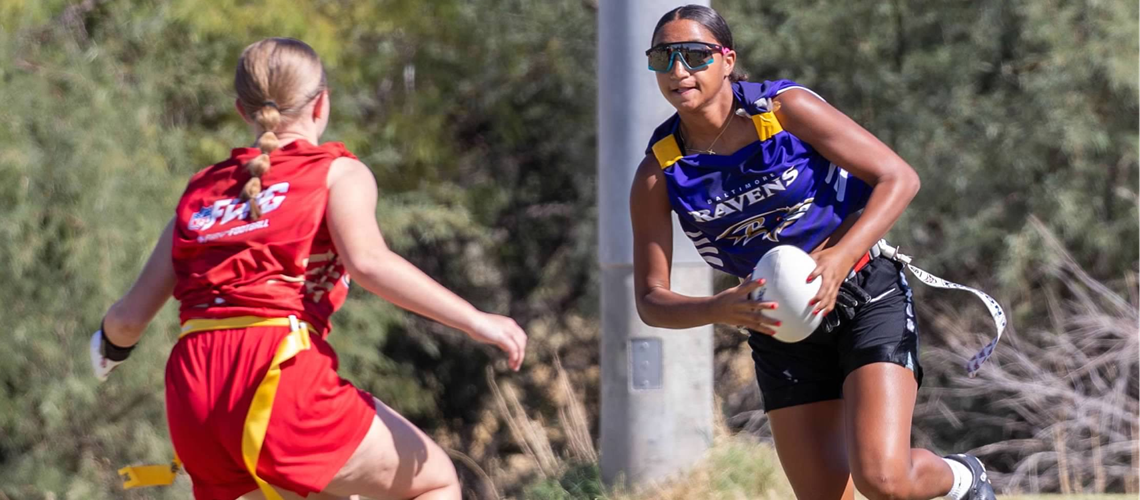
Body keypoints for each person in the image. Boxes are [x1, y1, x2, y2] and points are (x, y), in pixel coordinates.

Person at [88, 37, 528, 500]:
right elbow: (369, 263)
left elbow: (126, 321)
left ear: (243, 110)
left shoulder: (202, 190)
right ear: (322, 103)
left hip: (195, 394)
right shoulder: (336, 172)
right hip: (277, 375)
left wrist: (105, 356)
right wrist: (477, 321)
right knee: (434, 479)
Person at [630, 6, 995, 500]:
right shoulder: (659, 173)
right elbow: (651, 299)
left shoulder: (782, 110)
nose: (678, 71)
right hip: (779, 326)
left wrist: (842, 255)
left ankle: (962, 478)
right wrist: (718, 308)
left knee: (883, 480)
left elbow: (899, 177)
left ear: (727, 60)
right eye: (662, 57)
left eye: (695, 55)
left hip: (864, 294)